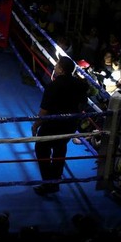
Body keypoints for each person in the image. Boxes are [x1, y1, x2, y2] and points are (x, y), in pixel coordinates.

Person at [30, 56, 89, 195]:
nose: (55, 67)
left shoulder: (53, 86)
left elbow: (44, 110)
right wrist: (76, 114)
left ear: (61, 69)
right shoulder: (80, 84)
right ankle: (55, 180)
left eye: (57, 65)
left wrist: (36, 125)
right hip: (70, 123)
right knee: (60, 147)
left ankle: (49, 182)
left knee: (42, 149)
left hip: (53, 124)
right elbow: (84, 102)